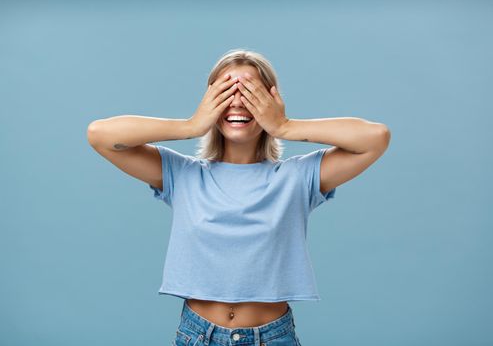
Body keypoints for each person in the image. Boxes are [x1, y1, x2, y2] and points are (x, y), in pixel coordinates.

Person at [87, 49, 391, 345]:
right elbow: (101, 134)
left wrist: (286, 126)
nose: (238, 103)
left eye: (249, 92)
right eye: (226, 91)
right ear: (210, 101)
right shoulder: (182, 174)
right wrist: (191, 125)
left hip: (271, 338)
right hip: (197, 336)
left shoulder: (297, 177)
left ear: (270, 101)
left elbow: (375, 138)